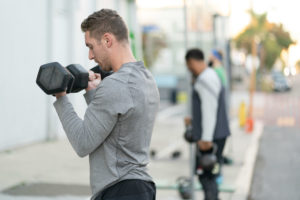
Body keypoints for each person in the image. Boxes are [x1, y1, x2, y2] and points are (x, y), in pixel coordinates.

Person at [53, 9, 160, 200]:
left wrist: (61, 97)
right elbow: (114, 129)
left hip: (119, 190)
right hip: (141, 188)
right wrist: (93, 92)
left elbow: (83, 142)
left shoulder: (115, 85)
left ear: (107, 40)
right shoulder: (146, 78)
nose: (90, 56)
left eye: (91, 46)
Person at [184, 48, 230, 200]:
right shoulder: (209, 75)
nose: (189, 70)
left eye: (189, 66)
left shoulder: (205, 79)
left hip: (211, 138)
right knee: (210, 176)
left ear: (192, 62)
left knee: (206, 177)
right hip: (217, 134)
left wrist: (206, 139)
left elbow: (209, 109)